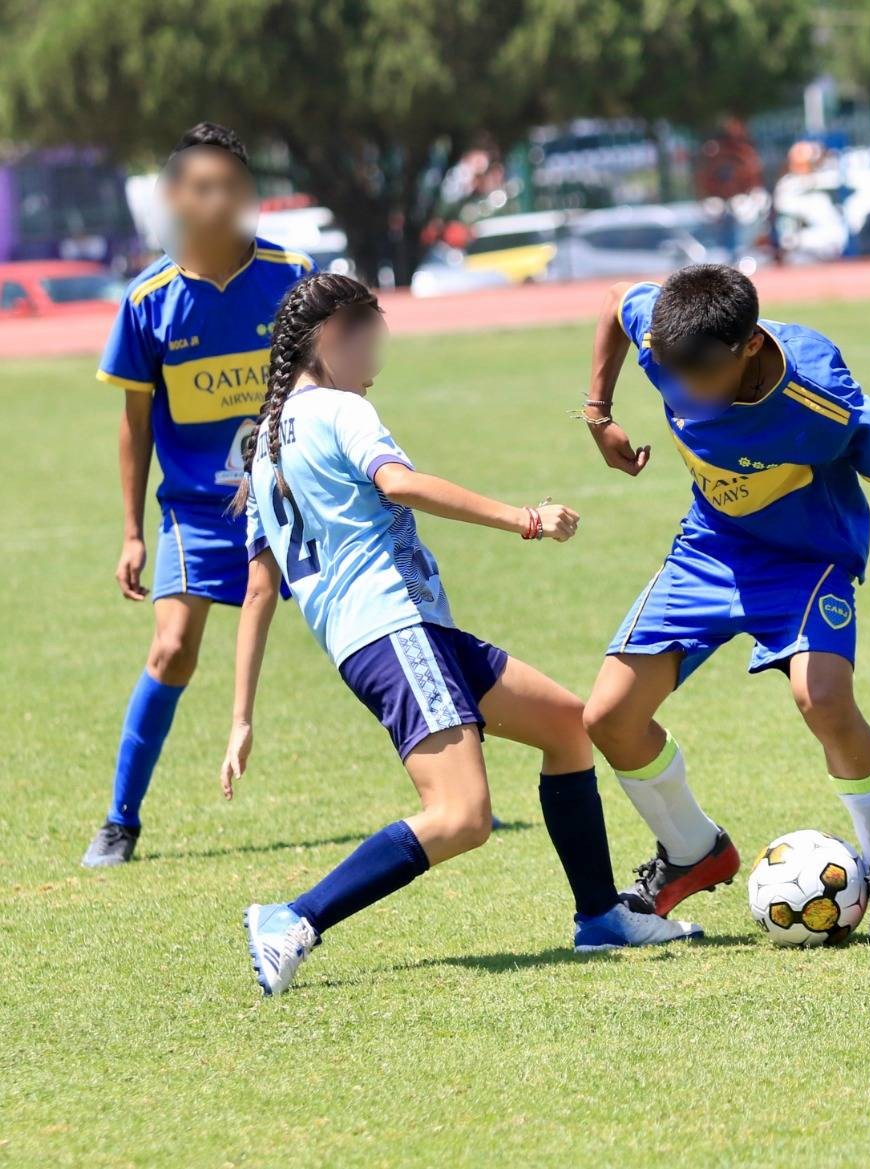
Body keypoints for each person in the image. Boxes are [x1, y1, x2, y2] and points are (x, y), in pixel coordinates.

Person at [220, 273, 700, 995]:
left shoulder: (262, 444)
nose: (377, 353)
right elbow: (399, 484)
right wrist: (523, 517)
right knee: (463, 815)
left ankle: (600, 916)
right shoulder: (339, 410)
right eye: (370, 334)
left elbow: (261, 587)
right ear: (331, 336)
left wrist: (240, 717)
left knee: (569, 726)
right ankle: (293, 916)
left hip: (399, 632)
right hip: (392, 626)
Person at [578, 265, 870, 947]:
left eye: (700, 375)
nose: (683, 389)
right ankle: (694, 850)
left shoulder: (822, 399)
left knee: (824, 700)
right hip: (711, 549)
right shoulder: (672, 337)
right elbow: (614, 300)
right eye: (670, 371)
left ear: (750, 345)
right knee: (608, 716)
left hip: (806, 559)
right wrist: (598, 413)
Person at [84, 124, 316, 867]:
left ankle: (453, 772)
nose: (220, 202)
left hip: (294, 500)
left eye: (233, 187)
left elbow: (337, 382)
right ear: (177, 198)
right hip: (197, 511)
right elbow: (134, 426)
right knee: (173, 648)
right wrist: (130, 530)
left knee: (376, 626)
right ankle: (120, 820)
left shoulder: (294, 276)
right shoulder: (147, 302)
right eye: (202, 187)